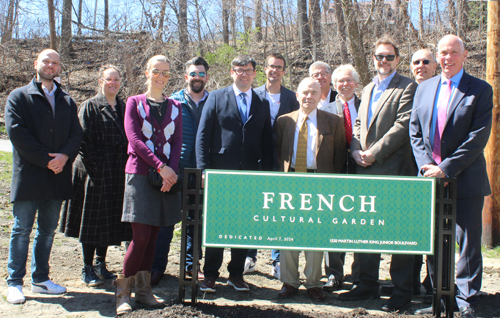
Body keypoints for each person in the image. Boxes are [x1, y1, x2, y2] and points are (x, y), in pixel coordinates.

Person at [410, 35, 492, 318]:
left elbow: (478, 137)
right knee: (433, 241)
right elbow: (415, 131)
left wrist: (446, 167)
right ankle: (439, 297)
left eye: (453, 53)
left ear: (464, 55)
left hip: (465, 178)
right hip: (429, 179)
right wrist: (425, 166)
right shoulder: (424, 88)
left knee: (467, 242)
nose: (447, 58)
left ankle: (466, 298)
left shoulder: (480, 89)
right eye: (443, 53)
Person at [338, 37, 418, 313]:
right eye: (379, 57)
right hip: (364, 169)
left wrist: (374, 153)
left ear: (397, 59)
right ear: (373, 59)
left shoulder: (408, 86)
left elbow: (402, 125)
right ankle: (366, 284)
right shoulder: (370, 87)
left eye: (388, 57)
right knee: (365, 230)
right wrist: (356, 149)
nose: (383, 61)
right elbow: (359, 123)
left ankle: (401, 292)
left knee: (398, 233)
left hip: (394, 170)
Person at [5, 49, 83, 304]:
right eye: (46, 61)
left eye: (55, 63)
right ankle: (14, 282)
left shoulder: (67, 100)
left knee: (47, 232)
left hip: (57, 177)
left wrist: (64, 157)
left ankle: (41, 280)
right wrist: (49, 160)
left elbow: (76, 135)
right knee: (21, 230)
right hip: (29, 176)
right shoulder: (19, 97)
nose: (50, 66)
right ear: (36, 64)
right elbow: (18, 135)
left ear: (59, 67)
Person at [196, 55, 273, 293]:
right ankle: (210, 275)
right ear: (232, 72)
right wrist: (203, 170)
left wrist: (269, 174)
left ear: (254, 74)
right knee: (217, 225)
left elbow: (267, 142)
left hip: (250, 174)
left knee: (244, 226)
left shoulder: (262, 102)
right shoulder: (217, 97)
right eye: (239, 70)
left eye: (248, 70)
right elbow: (202, 136)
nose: (244, 74)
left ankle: (236, 274)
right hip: (220, 172)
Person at [115, 55, 183, 315]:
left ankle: (143, 292)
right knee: (140, 236)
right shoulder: (134, 103)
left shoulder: (175, 106)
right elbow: (134, 139)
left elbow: (177, 142)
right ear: (147, 73)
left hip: (165, 178)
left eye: (165, 72)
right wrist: (160, 166)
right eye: (156, 71)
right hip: (141, 175)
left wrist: (171, 172)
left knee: (153, 237)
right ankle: (123, 293)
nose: (161, 76)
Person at [274, 77, 346, 301]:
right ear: (297, 95)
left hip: (320, 182)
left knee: (316, 233)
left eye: (314, 93)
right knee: (288, 232)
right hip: (291, 181)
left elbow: (339, 157)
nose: (309, 97)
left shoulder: (333, 121)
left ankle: (314, 283)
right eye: (305, 92)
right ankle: (289, 281)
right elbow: (278, 153)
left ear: (320, 95)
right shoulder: (284, 121)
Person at [61, 65, 132, 287]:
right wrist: (98, 167)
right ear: (100, 81)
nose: (113, 83)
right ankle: (87, 267)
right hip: (94, 171)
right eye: (109, 79)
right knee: (91, 222)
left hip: (117, 171)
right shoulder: (90, 106)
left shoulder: (124, 106)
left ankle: (101, 264)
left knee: (109, 220)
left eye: (116, 79)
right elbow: (82, 140)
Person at [150, 56, 210, 285]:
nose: (197, 78)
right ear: (186, 76)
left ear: (207, 77)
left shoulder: (213, 101)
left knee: (195, 222)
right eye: (193, 74)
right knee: (166, 221)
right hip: (176, 170)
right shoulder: (172, 102)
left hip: (202, 173)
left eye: (201, 74)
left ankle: (191, 266)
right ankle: (157, 267)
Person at [247, 53, 300, 277]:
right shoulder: (253, 94)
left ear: (284, 72)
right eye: (271, 67)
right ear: (265, 70)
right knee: (253, 209)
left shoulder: (292, 97)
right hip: (255, 160)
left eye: (279, 67)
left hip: (282, 160)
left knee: (279, 209)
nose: (274, 71)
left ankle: (278, 259)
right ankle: (249, 256)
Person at [321, 64, 361, 290]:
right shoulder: (325, 108)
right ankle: (334, 273)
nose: (344, 84)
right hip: (333, 170)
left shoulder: (368, 106)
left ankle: (359, 276)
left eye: (349, 80)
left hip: (361, 169)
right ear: (334, 85)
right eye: (340, 81)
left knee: (358, 222)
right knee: (333, 223)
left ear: (356, 83)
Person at [409, 48, 438, 299]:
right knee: (412, 233)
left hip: (436, 173)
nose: (421, 66)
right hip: (409, 171)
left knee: (434, 232)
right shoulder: (409, 90)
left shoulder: (444, 89)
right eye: (416, 62)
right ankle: (411, 281)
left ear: (435, 65)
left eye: (426, 62)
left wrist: (430, 167)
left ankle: (433, 282)